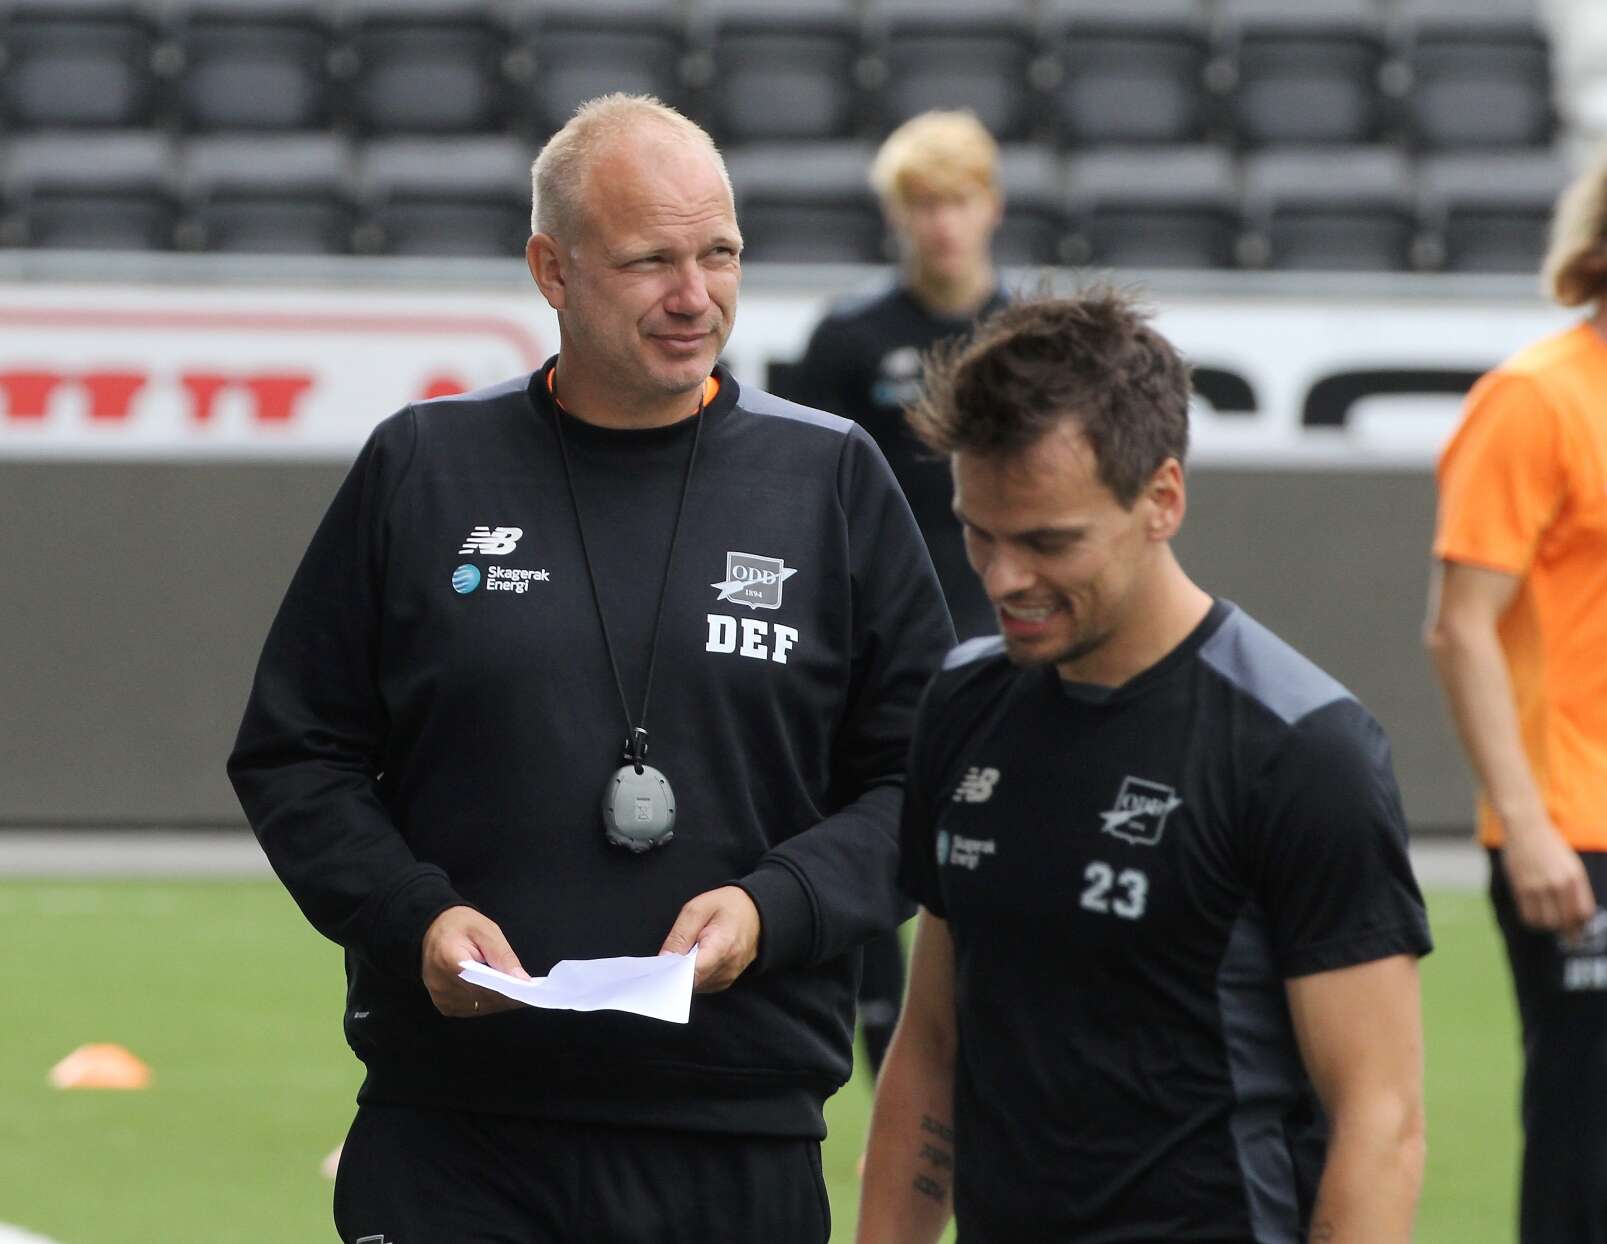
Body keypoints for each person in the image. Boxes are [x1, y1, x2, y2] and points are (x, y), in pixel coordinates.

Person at [227, 94, 954, 1244]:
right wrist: (412, 916)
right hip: (454, 1134)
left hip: (737, 1137)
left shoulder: (830, 479)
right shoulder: (424, 468)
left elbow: (925, 780)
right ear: (551, 270)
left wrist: (774, 906)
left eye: (719, 254)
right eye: (649, 260)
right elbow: (294, 751)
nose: (694, 294)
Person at [856, 291, 1433, 1244]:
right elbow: (932, 1045)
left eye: (1048, 542)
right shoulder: (960, 706)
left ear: (1162, 498)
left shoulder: (1302, 750)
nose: (1001, 578)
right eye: (979, 532)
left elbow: (1380, 1119)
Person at [793, 109, 1006, 1084]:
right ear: (894, 214)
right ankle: (894, 1089)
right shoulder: (848, 338)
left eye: (955, 201)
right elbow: (804, 498)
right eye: (921, 204)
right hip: (870, 637)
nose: (940, 223)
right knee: (872, 840)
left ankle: (993, 1070)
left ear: (989, 206)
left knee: (990, 850)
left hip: (997, 628)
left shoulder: (1026, 334)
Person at [1425, 152, 1607, 1244]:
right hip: (1573, 832)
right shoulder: (1532, 398)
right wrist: (1527, 825)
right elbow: (1459, 626)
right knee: (1586, 1150)